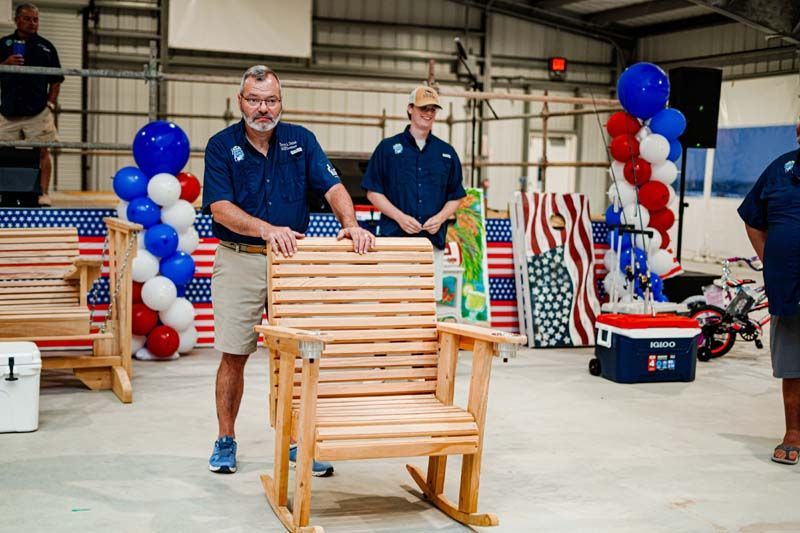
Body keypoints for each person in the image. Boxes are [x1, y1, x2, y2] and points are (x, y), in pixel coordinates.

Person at [202, 65, 374, 475]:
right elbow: (219, 208)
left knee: (299, 358)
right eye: (255, 100)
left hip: (293, 262)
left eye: (271, 100)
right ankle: (226, 439)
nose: (263, 108)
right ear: (240, 101)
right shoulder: (222, 146)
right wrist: (266, 229)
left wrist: (349, 224)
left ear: (281, 102)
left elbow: (333, 186)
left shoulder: (302, 141)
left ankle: (298, 443)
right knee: (234, 354)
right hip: (240, 257)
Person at [361, 86, 466, 300]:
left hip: (430, 244)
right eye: (423, 107)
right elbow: (373, 192)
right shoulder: (388, 149)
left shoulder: (446, 153)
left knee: (426, 304)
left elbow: (456, 195)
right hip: (395, 242)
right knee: (393, 300)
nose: (428, 113)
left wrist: (440, 218)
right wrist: (400, 218)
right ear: (410, 109)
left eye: (433, 109)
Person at [737, 136, 800, 465]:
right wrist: (770, 260)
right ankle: (793, 432)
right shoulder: (779, 170)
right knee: (792, 362)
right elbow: (752, 218)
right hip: (789, 285)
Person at [0, 3, 63, 207]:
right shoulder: (3, 44)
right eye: (27, 18)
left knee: (43, 152)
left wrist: (50, 105)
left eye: (35, 19)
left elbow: (56, 79)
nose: (32, 23)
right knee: (2, 151)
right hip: (8, 111)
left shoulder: (46, 47)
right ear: (16, 20)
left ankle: (43, 193)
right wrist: (5, 64)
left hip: (38, 112)